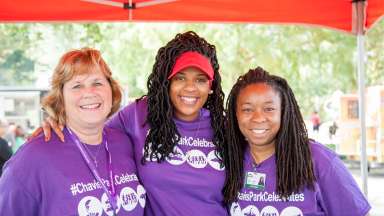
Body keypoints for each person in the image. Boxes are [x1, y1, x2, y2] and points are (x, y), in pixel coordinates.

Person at [36, 31, 227, 215]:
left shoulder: (224, 127)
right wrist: (59, 119)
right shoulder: (138, 114)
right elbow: (90, 131)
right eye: (180, 78)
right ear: (166, 82)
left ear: (211, 86)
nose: (190, 88)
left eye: (201, 80)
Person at [0, 48, 145, 216]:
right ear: (61, 98)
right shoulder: (33, 158)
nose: (89, 93)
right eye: (77, 86)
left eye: (97, 83)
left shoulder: (125, 142)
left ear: (111, 91)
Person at [223, 67, 370, 216]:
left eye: (269, 109)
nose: (258, 118)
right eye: (247, 109)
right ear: (235, 114)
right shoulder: (230, 160)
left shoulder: (318, 160)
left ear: (284, 112)